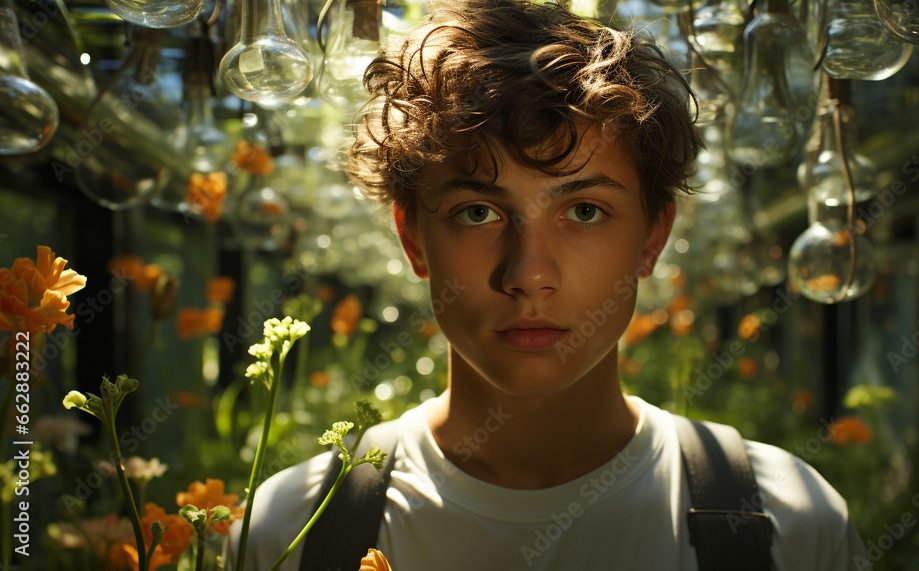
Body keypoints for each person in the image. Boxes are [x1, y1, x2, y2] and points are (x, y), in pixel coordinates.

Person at [226, 0, 867, 569]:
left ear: (652, 237)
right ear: (413, 238)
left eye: (584, 211)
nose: (528, 273)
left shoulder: (789, 525)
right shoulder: (290, 532)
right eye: (478, 212)